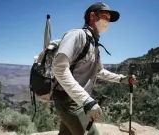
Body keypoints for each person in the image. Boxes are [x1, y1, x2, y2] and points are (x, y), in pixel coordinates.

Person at [52, 2, 136, 135]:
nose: (107, 21)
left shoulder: (94, 45)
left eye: (109, 19)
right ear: (92, 16)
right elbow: (59, 67)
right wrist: (86, 100)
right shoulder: (77, 35)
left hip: (76, 100)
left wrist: (121, 79)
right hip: (69, 101)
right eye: (104, 16)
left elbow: (99, 72)